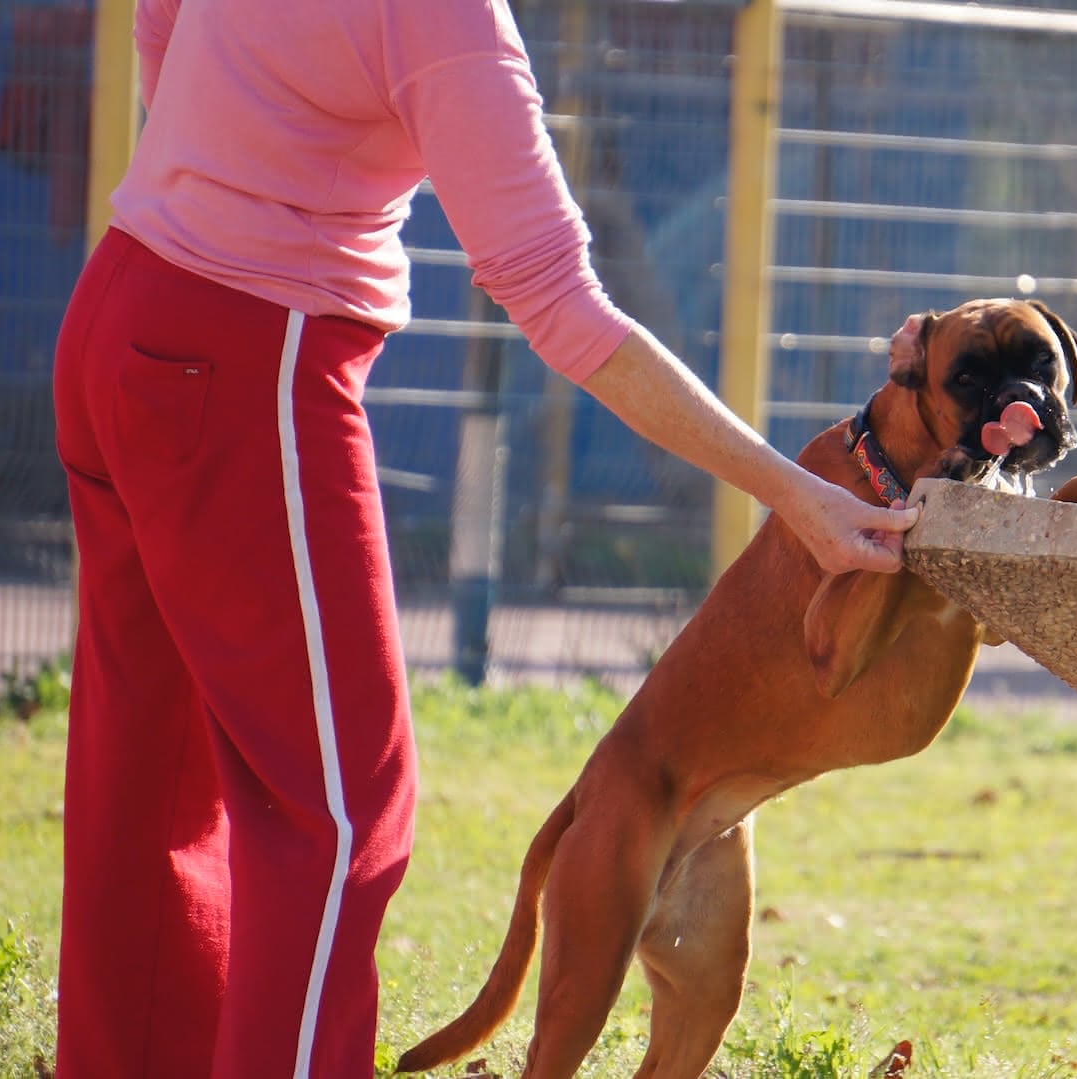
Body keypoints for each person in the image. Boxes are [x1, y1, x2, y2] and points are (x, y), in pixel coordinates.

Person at [49, 0, 919, 1075]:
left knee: (151, 769)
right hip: (248, 362)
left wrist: (219, 170)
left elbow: (161, 24)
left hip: (124, 303)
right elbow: (559, 303)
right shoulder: (449, 19)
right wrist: (793, 493)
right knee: (337, 811)